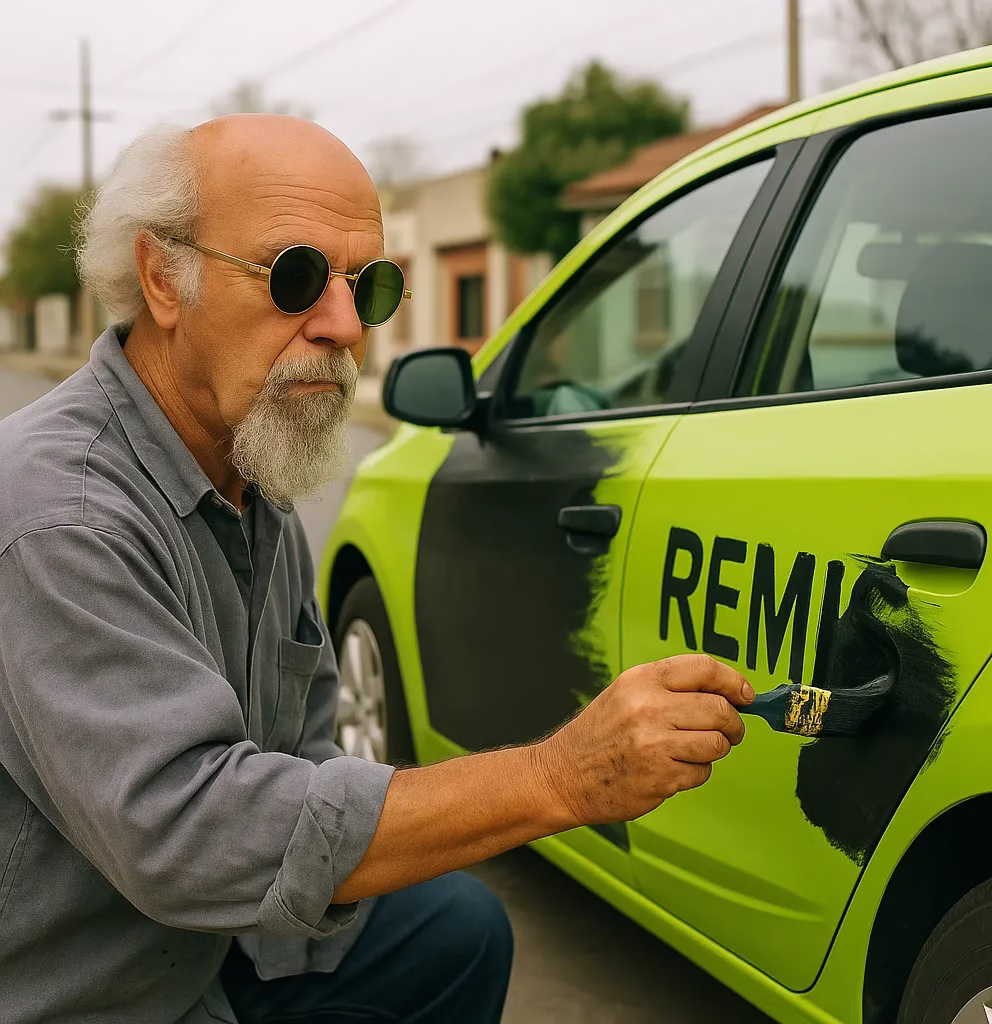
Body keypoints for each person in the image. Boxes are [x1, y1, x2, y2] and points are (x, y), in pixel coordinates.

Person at [0, 115, 754, 1024]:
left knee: (456, 930)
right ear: (164, 277)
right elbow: (189, 833)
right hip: (90, 989)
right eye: (296, 277)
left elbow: (303, 749)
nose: (346, 326)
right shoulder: (61, 517)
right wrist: (557, 780)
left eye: (372, 285)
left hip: (210, 951)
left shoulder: (246, 473)